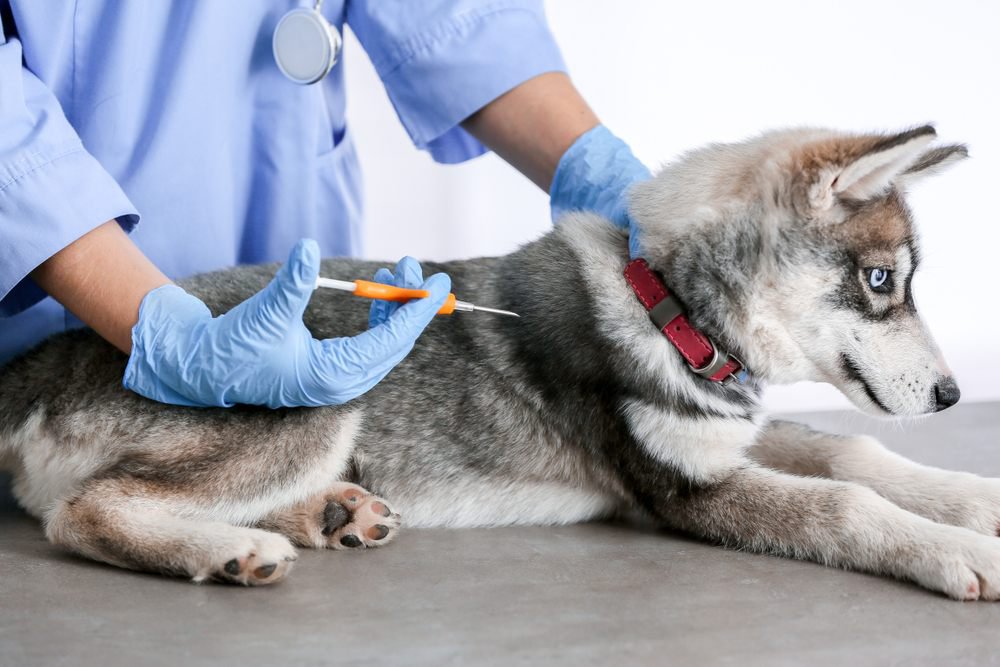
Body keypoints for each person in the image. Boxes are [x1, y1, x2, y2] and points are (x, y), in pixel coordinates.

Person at [0, 1, 649, 408]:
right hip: (54, 294)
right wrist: (169, 335)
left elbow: (455, 16)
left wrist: (588, 165)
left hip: (282, 229)